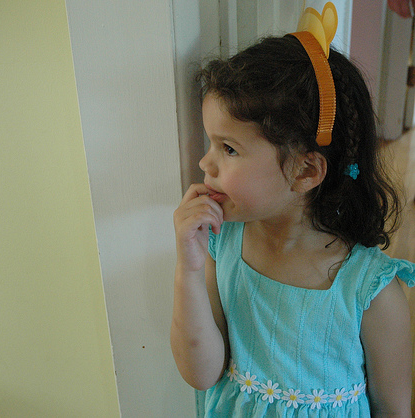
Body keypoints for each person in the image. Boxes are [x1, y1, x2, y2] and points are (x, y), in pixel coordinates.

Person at [171, 32, 414, 416]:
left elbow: (394, 409)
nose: (205, 163)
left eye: (228, 148)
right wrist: (188, 268)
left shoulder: (371, 291)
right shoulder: (222, 245)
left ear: (305, 171)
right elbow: (201, 374)